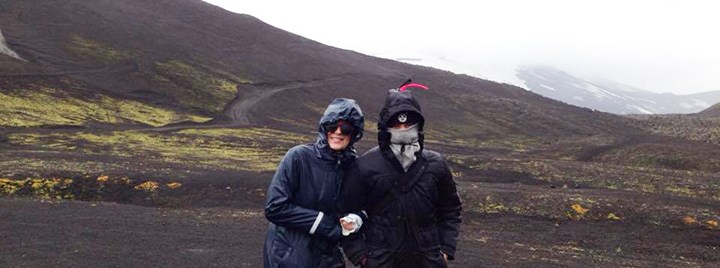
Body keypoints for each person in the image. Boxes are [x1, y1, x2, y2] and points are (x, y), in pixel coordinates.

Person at [340, 81, 462, 267]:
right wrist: (362, 256)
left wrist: (445, 249)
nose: (403, 130)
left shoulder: (435, 164)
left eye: (409, 125)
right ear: (385, 127)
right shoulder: (364, 166)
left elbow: (450, 210)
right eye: (396, 125)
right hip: (381, 262)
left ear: (419, 126)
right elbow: (345, 213)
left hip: (428, 262)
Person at [263, 98, 365, 268]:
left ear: (354, 133)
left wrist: (357, 219)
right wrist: (324, 224)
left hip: (328, 258)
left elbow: (361, 206)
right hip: (289, 257)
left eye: (346, 127)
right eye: (332, 125)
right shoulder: (298, 157)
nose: (338, 132)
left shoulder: (353, 167)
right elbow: (275, 207)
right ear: (325, 127)